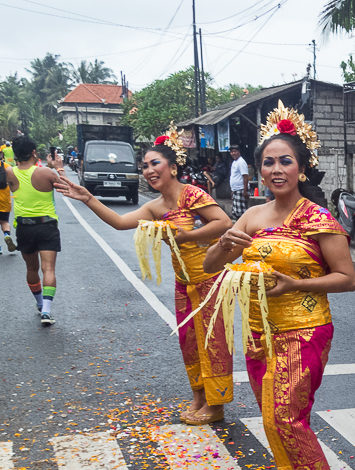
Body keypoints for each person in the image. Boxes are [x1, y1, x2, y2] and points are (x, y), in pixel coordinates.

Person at [204, 104, 355, 470]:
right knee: (279, 420)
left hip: (305, 329)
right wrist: (223, 243)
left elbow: (347, 280)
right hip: (259, 334)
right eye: (268, 162)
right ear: (259, 170)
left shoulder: (319, 220)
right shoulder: (252, 216)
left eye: (285, 161)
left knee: (283, 415)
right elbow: (213, 264)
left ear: (302, 167)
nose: (276, 169)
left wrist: (294, 283)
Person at [58, 133, 233, 425]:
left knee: (211, 343)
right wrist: (88, 198)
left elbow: (223, 223)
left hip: (209, 280)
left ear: (173, 167)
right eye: (144, 166)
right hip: (183, 283)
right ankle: (199, 396)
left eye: (155, 163)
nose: (149, 170)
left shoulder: (192, 194)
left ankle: (217, 404)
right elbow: (120, 223)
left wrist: (188, 235)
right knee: (189, 343)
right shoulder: (155, 207)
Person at [10, 136, 66, 327]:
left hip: (24, 227)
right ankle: (47, 311)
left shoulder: (10, 173)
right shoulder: (46, 173)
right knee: (48, 269)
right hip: (47, 226)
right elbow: (67, 187)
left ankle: (40, 303)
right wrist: (57, 168)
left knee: (31, 269)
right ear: (34, 152)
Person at [229, 144, 251, 219]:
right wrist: (232, 190)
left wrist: (245, 191)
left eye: (235, 151)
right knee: (236, 211)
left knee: (241, 212)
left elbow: (245, 176)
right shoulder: (235, 162)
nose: (233, 153)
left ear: (239, 152)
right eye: (231, 152)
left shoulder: (241, 162)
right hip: (236, 189)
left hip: (241, 189)